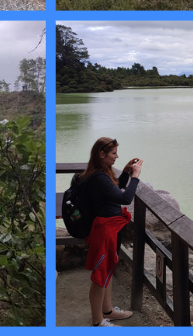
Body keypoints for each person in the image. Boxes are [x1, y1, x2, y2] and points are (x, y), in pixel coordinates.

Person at [75, 136, 143, 327]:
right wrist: (136, 177)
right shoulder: (98, 177)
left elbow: (115, 189)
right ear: (101, 154)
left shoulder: (100, 173)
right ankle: (98, 321)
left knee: (108, 268)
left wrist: (127, 173)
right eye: (113, 154)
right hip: (105, 230)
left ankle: (108, 310)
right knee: (100, 275)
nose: (117, 157)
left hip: (112, 227)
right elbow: (125, 198)